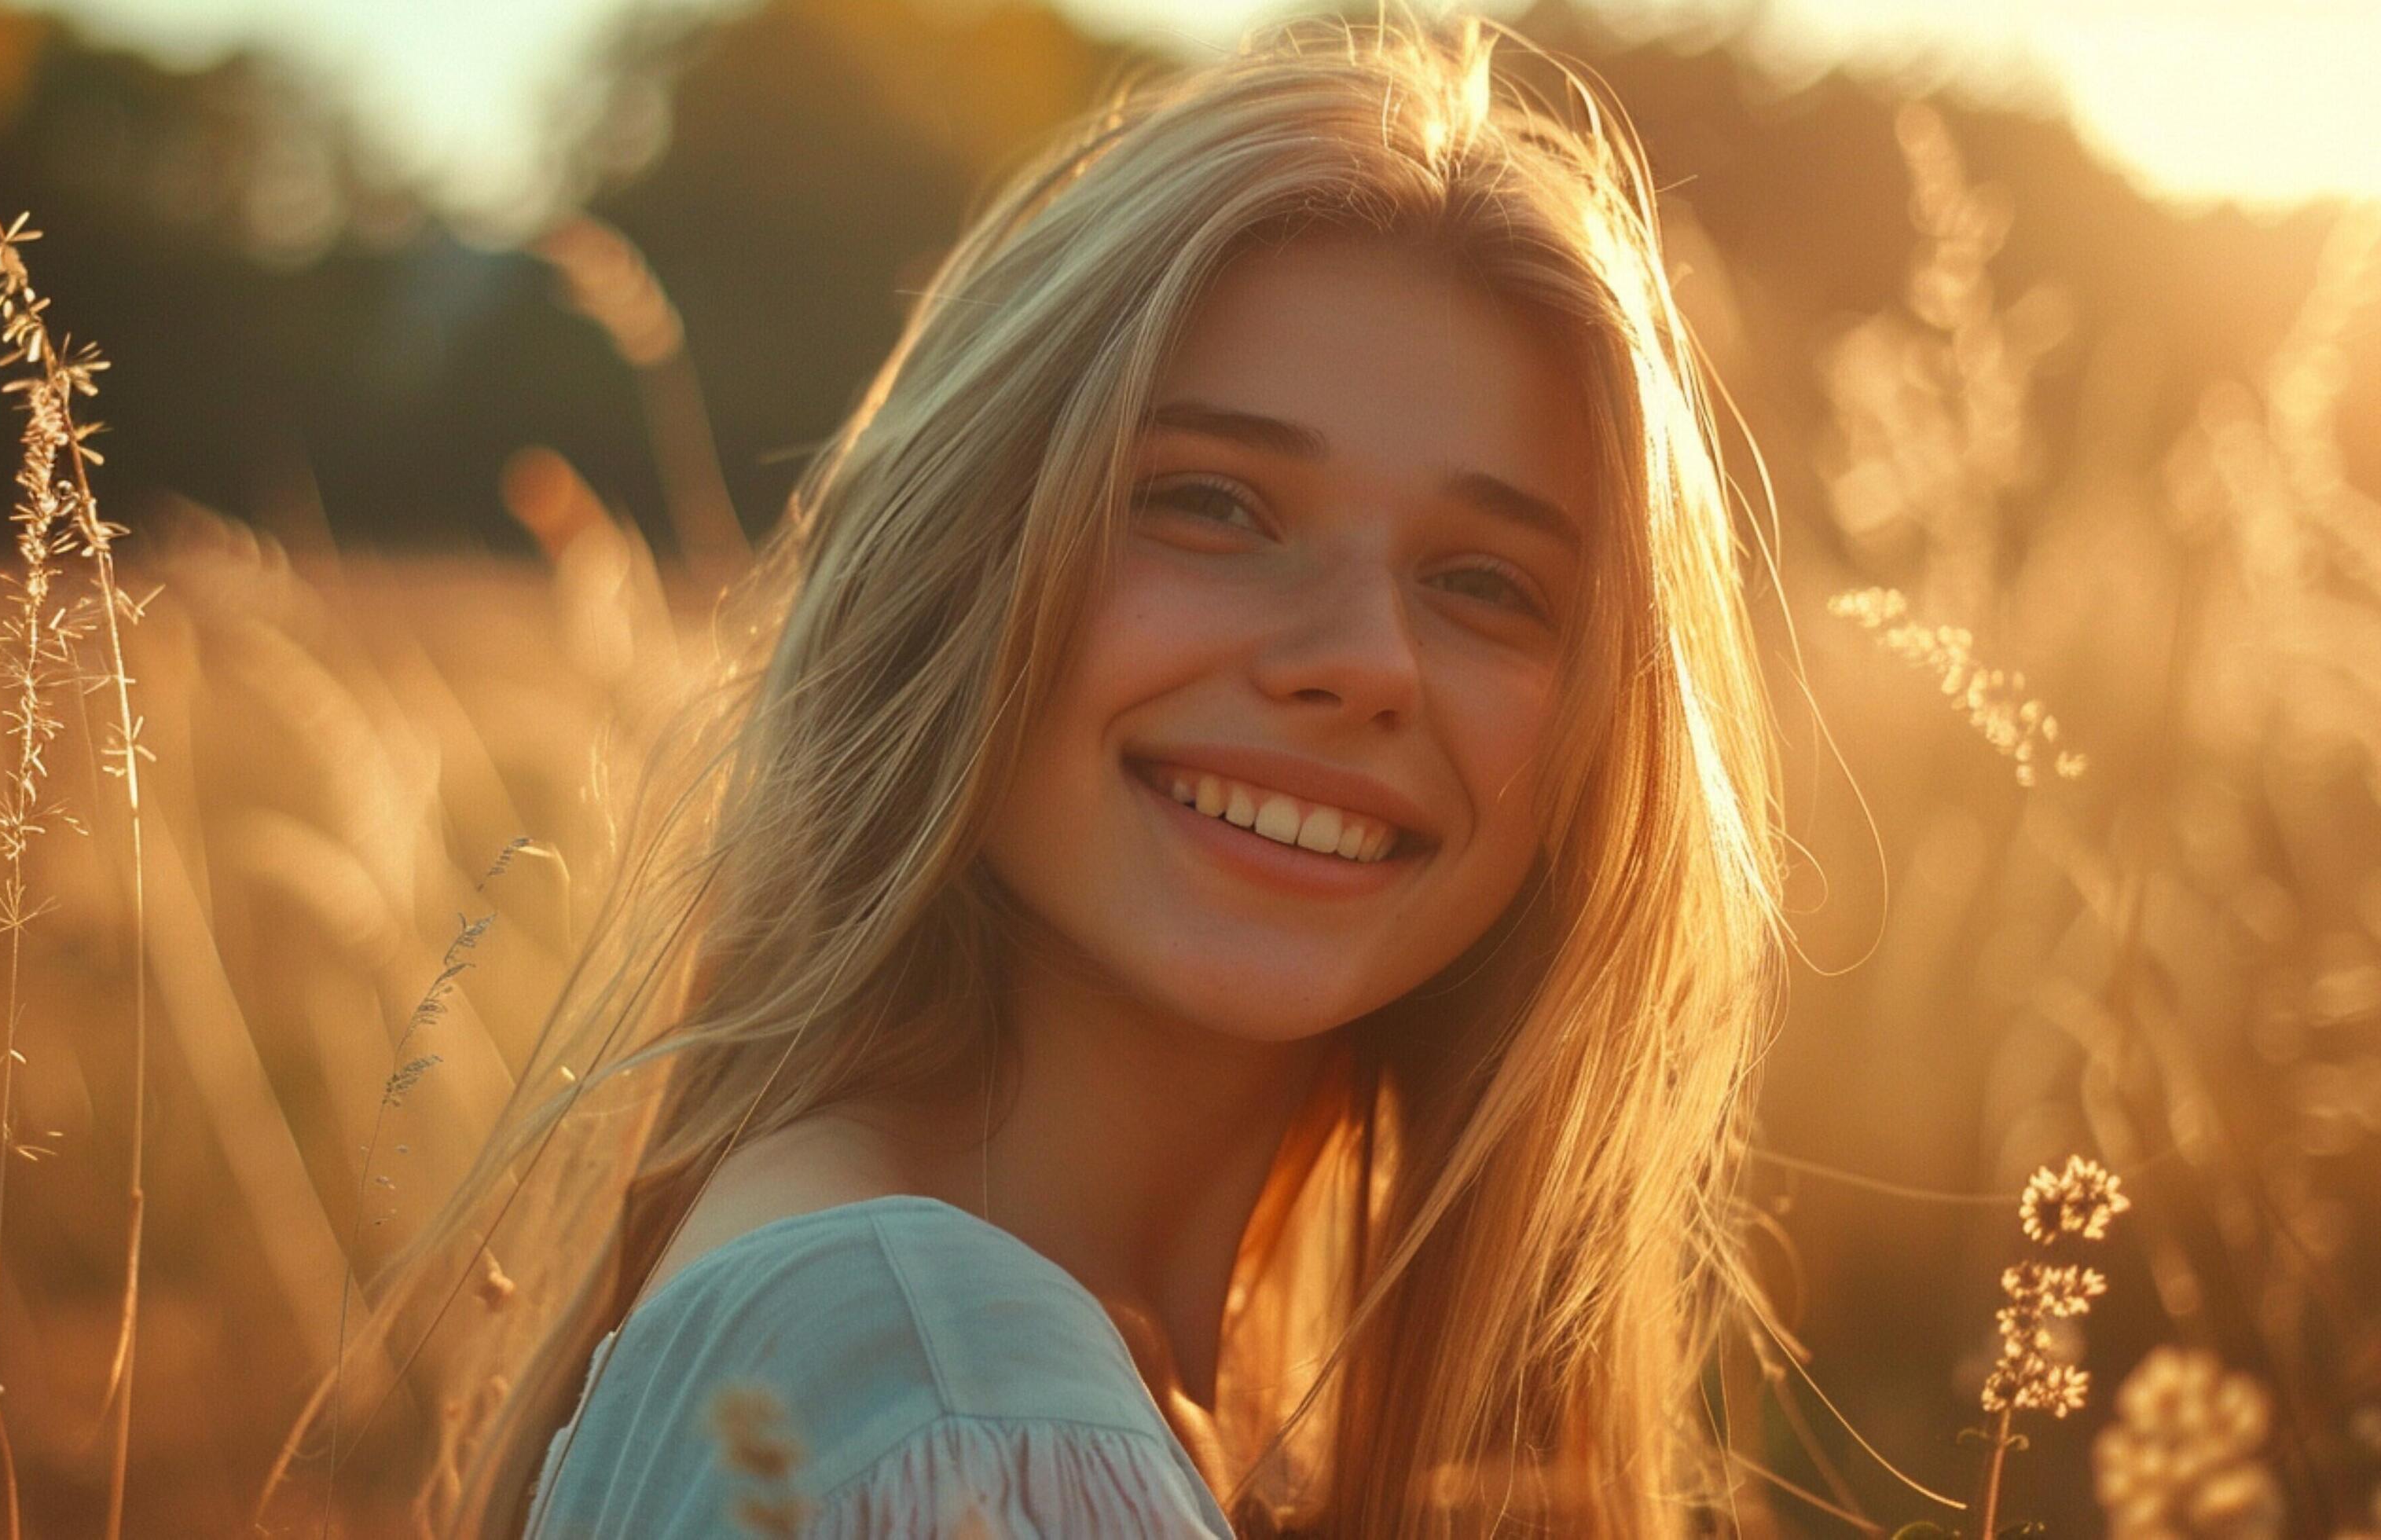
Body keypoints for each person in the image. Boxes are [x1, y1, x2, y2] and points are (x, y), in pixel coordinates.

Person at [340, 13, 1788, 1537]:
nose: (1366, 658)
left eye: (1490, 582)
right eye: (1215, 502)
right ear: (959, 560)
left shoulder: (959, 1351)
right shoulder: (957, 1408)